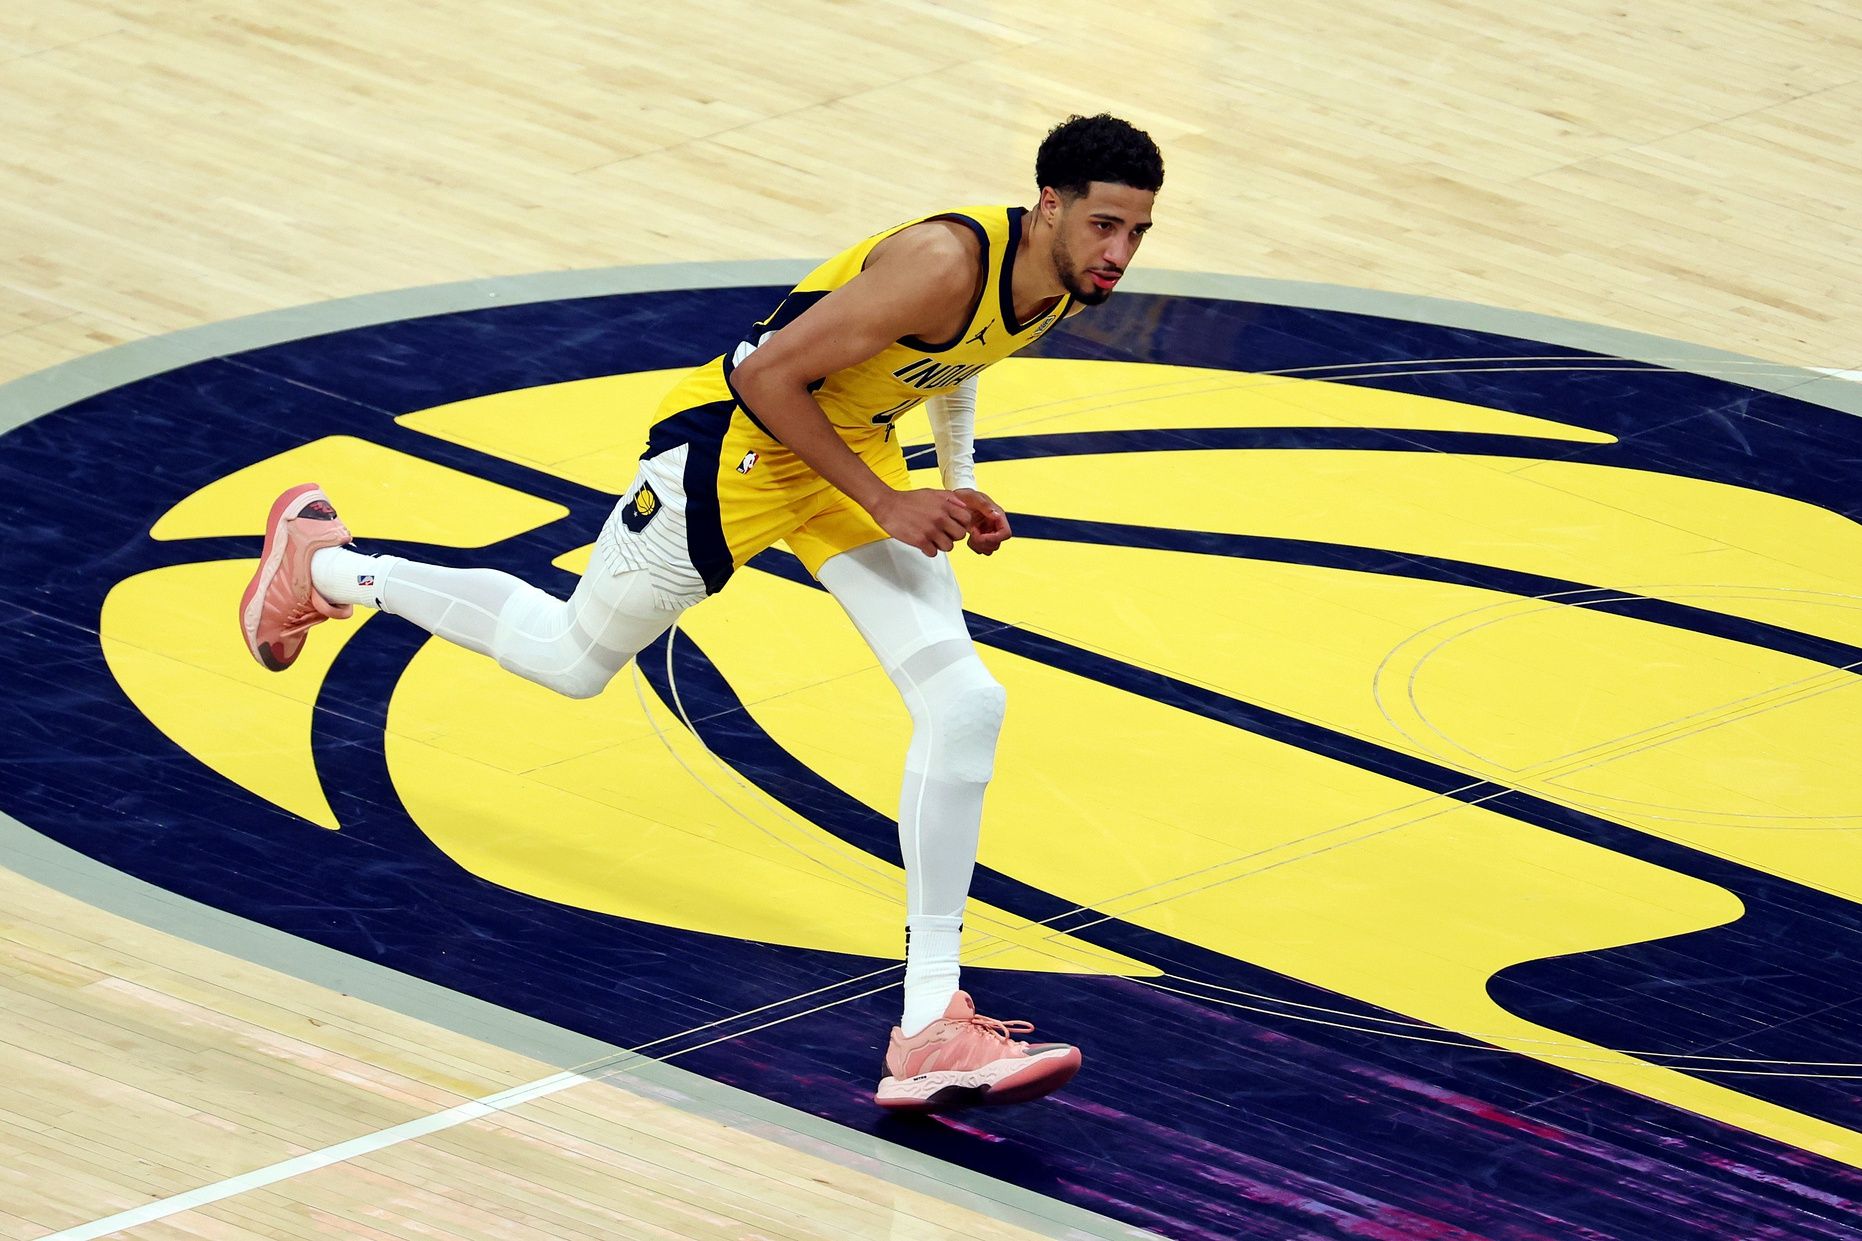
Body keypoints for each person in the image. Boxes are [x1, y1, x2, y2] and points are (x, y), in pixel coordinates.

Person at [239, 113, 1163, 1112]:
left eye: (1135, 234)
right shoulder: (942, 262)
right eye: (1104, 226)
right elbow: (760, 374)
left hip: (845, 462)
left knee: (964, 701)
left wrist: (958, 481)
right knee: (570, 656)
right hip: (737, 454)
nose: (1118, 253)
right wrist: (890, 500)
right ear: (1048, 209)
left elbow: (959, 365)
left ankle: (929, 1022)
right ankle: (327, 568)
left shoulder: (1059, 281)